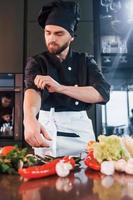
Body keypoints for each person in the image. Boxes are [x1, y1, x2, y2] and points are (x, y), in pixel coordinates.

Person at [23, 0, 110, 152]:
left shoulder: (85, 61)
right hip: (47, 132)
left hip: (80, 133)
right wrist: (29, 118)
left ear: (72, 37)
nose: (52, 39)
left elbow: (102, 94)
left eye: (59, 33)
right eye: (48, 33)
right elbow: (32, 91)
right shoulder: (37, 62)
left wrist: (60, 88)